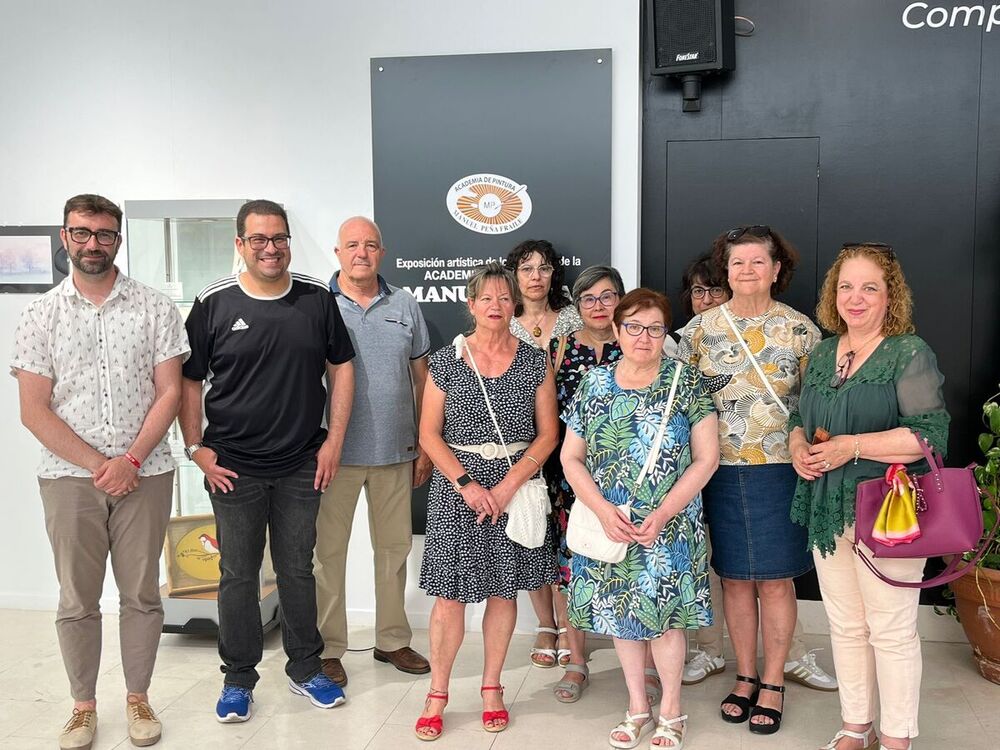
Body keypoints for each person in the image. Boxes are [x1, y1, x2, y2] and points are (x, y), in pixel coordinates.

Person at [11, 194, 189, 749]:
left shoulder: (155, 307)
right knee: (76, 599)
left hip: (148, 472)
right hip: (69, 479)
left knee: (141, 594)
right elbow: (33, 408)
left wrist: (131, 460)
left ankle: (138, 698)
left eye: (104, 234)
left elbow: (171, 391)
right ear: (66, 237)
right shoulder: (40, 314)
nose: (93, 243)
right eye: (82, 233)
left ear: (118, 238)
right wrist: (99, 465)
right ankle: (83, 707)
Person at [179, 199, 356, 723]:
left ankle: (306, 669)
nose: (270, 248)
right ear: (240, 245)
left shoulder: (317, 299)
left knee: (298, 569)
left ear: (288, 242)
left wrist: (334, 443)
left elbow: (341, 370)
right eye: (258, 239)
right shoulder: (213, 303)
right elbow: (188, 380)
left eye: (278, 238)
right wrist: (196, 448)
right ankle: (238, 679)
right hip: (233, 465)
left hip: (303, 461)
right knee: (238, 573)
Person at [789, 244, 949, 750]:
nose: (855, 298)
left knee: (893, 630)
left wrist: (849, 448)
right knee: (846, 624)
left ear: (889, 296)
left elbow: (928, 436)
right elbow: (800, 417)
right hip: (828, 508)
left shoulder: (908, 351)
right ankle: (856, 725)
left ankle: (897, 736)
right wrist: (799, 447)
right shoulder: (820, 352)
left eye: (869, 288)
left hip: (887, 511)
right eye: (845, 287)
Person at [672, 255, 837, 693]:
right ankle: (745, 676)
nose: (747, 270)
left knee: (778, 580)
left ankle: (774, 680)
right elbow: (677, 399)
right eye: (737, 262)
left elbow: (815, 402)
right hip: (716, 470)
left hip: (782, 469)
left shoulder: (801, 330)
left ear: (776, 269)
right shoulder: (698, 332)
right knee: (734, 579)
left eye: (758, 261)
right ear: (726, 271)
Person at [562, 288, 718, 749]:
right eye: (633, 327)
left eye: (654, 328)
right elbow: (572, 458)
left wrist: (665, 511)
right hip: (611, 523)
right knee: (622, 617)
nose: (643, 337)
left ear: (664, 333)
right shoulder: (594, 383)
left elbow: (706, 459)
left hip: (669, 526)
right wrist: (601, 509)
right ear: (616, 330)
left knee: (666, 619)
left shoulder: (687, 382)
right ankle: (636, 707)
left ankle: (671, 710)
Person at [413, 263, 559, 740]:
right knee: (449, 596)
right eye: (486, 298)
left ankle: (492, 687)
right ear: (470, 305)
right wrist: (468, 484)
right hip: (458, 491)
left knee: (504, 591)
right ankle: (437, 691)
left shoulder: (534, 360)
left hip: (515, 488)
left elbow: (548, 434)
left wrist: (506, 486)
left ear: (514, 304)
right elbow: (429, 434)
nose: (495, 306)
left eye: (504, 298)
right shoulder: (447, 360)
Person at [314, 216, 432, 687]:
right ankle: (328, 649)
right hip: (332, 456)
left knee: (394, 551)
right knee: (328, 556)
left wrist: (425, 443)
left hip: (396, 451)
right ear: (337, 252)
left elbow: (423, 376)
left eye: (370, 245)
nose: (361, 253)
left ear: (382, 252)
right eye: (352, 245)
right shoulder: (317, 305)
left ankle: (392, 640)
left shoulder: (404, 304)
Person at [545, 265, 625, 703]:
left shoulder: (637, 343)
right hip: (567, 480)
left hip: (625, 482)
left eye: (608, 296)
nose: (598, 306)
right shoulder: (557, 349)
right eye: (589, 298)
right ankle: (576, 660)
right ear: (577, 305)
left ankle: (645, 663)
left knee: (633, 566)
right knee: (569, 571)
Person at [503, 239, 582, 669]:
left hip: (570, 442)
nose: (536, 276)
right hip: (524, 444)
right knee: (534, 533)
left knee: (567, 536)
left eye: (544, 268)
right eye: (527, 268)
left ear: (554, 274)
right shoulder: (504, 323)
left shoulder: (572, 317)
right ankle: (544, 625)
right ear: (514, 275)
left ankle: (570, 625)